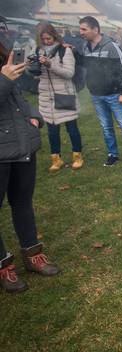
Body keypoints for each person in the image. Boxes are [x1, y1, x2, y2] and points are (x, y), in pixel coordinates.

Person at [0, 49, 60, 293]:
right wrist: (3, 80)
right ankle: (3, 265)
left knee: (23, 202)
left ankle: (33, 254)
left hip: (23, 145)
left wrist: (34, 117)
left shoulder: (6, 58)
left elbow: (20, 98)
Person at [78, 16, 122, 167]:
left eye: (84, 29)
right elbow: (83, 66)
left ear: (95, 29)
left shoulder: (110, 46)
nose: (81, 32)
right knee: (106, 127)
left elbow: (121, 70)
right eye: (80, 29)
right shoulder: (85, 47)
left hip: (114, 94)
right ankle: (112, 154)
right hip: (96, 94)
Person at [35, 22, 84, 172]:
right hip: (46, 96)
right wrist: (31, 66)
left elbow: (69, 73)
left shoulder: (65, 50)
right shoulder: (37, 51)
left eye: (49, 38)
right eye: (43, 39)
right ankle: (56, 159)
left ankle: (77, 156)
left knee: (72, 128)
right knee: (52, 131)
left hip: (64, 94)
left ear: (54, 35)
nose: (46, 42)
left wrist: (50, 64)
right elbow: (35, 73)